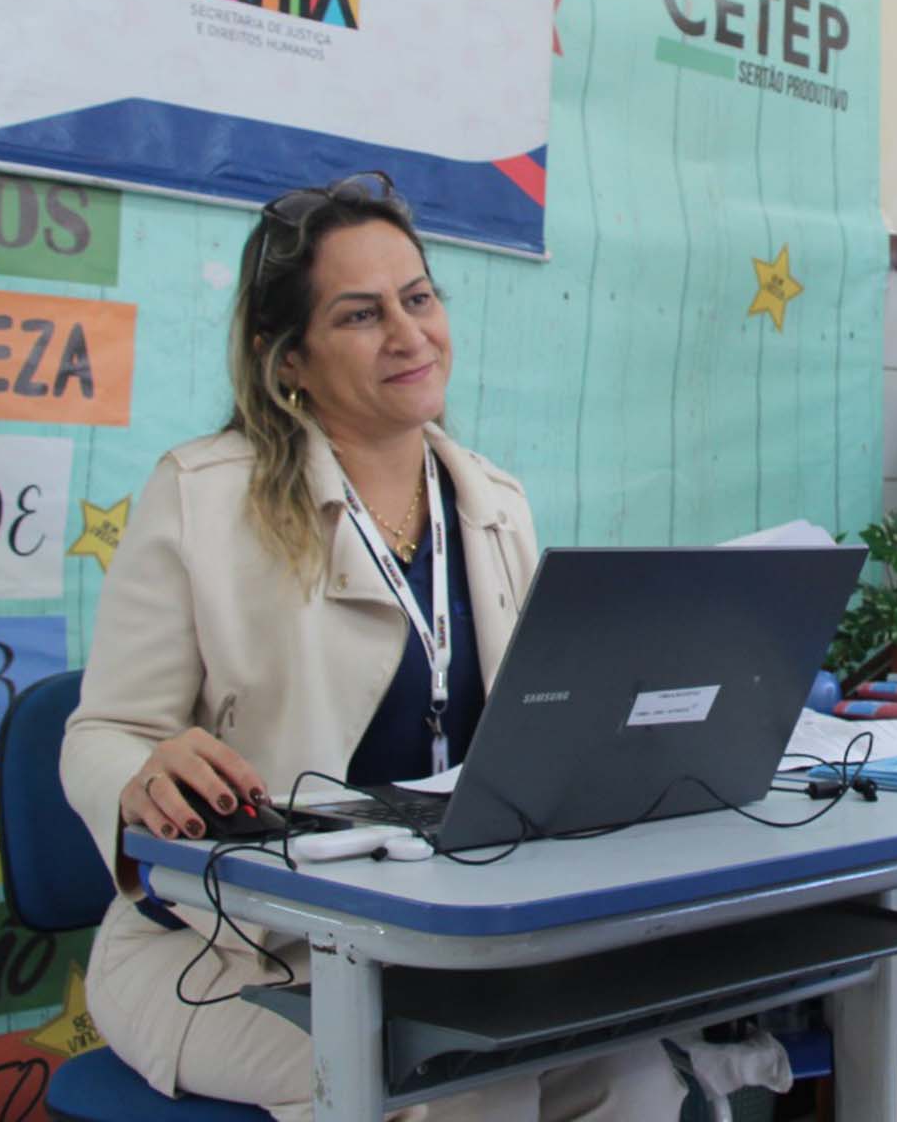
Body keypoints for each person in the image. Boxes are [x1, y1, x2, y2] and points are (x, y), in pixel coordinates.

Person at [61, 172, 686, 1121]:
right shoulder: (201, 496)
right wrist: (143, 769)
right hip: (226, 956)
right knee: (474, 1081)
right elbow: (100, 730)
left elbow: (529, 734)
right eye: (360, 315)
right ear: (289, 362)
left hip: (441, 946)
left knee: (638, 1078)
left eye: (419, 298)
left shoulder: (495, 503)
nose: (408, 334)